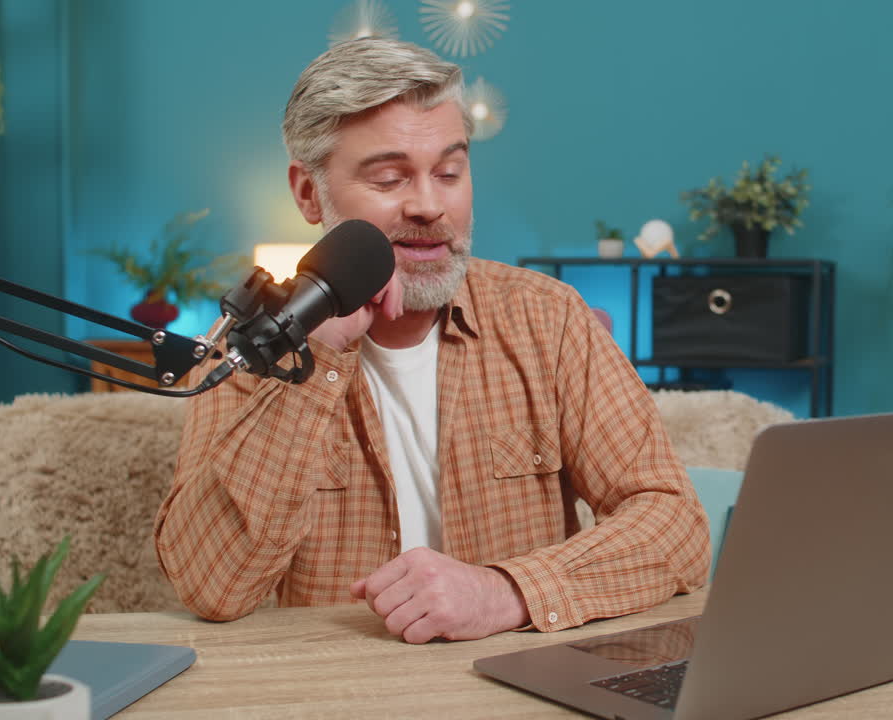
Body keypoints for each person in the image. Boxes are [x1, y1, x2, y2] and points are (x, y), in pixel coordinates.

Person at [153, 38, 710, 644]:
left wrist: (505, 592)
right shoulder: (246, 351)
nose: (428, 205)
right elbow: (213, 587)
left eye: (449, 172)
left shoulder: (548, 319)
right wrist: (318, 360)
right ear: (309, 193)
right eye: (391, 178)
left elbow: (675, 525)